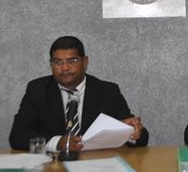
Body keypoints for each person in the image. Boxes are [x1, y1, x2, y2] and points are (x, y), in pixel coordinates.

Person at [9, 36, 148, 153]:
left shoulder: (107, 91)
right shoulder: (37, 90)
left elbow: (142, 137)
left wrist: (132, 132)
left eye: (72, 61)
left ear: (85, 62)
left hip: (97, 165)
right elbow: (17, 136)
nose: (64, 68)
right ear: (51, 64)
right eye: (57, 62)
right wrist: (57, 142)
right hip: (54, 166)